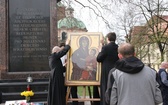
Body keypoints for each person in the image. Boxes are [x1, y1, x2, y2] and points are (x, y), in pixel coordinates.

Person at [96, 32, 119, 105]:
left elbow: (99, 59)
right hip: (116, 69)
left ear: (108, 39)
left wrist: (100, 51)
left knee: (106, 87)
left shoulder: (105, 48)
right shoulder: (118, 47)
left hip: (106, 70)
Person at [47, 39, 70, 105]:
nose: (60, 53)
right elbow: (64, 52)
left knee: (58, 91)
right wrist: (67, 44)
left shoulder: (54, 58)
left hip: (57, 76)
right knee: (57, 91)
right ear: (56, 51)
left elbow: (60, 69)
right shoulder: (54, 56)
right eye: (59, 51)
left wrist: (65, 66)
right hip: (56, 77)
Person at [71, 36, 90, 105]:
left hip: (88, 72)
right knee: (73, 87)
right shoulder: (76, 52)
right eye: (83, 42)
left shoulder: (90, 51)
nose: (84, 43)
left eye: (86, 42)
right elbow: (74, 62)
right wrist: (83, 67)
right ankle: (75, 102)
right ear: (80, 43)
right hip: (78, 72)